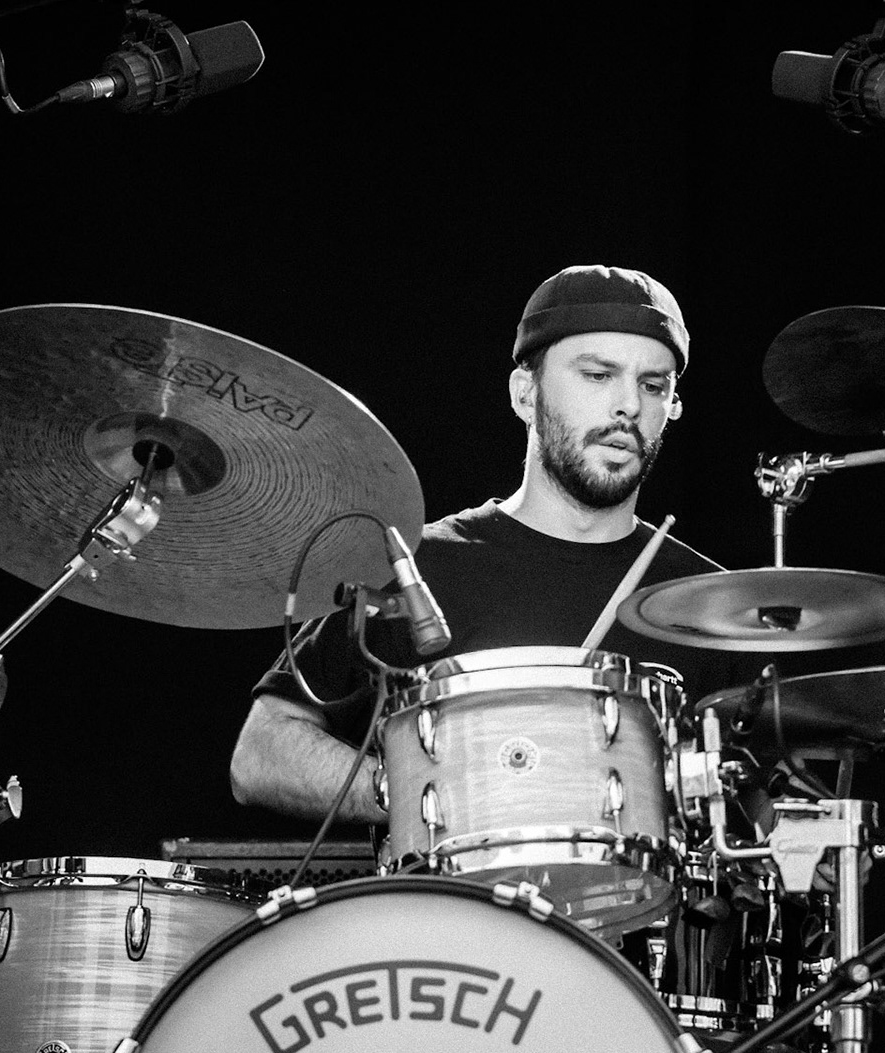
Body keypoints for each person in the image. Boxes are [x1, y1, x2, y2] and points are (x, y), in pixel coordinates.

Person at [229, 264, 758, 824]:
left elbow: (765, 802)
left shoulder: (708, 603)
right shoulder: (415, 567)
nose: (629, 405)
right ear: (525, 395)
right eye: (599, 376)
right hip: (452, 910)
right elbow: (261, 753)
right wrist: (414, 792)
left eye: (653, 386)